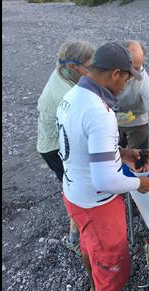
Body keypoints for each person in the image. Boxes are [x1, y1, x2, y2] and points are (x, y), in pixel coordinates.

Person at [57, 42, 149, 291]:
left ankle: (93, 287)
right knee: (110, 267)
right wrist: (139, 184)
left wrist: (121, 154)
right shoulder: (99, 112)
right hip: (97, 203)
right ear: (115, 74)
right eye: (125, 78)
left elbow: (80, 145)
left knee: (89, 246)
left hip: (73, 193)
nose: (125, 85)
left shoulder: (71, 96)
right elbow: (105, 179)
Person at [36, 40, 93, 254]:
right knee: (74, 186)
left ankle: (75, 234)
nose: (92, 69)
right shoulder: (63, 94)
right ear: (72, 66)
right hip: (53, 146)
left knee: (72, 185)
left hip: (54, 140)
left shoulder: (64, 71)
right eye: (89, 65)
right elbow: (77, 134)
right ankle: (76, 238)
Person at [115, 40, 149, 164]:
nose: (139, 73)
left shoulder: (143, 78)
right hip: (113, 120)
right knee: (114, 158)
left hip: (138, 121)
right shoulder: (108, 74)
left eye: (140, 67)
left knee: (137, 159)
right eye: (134, 69)